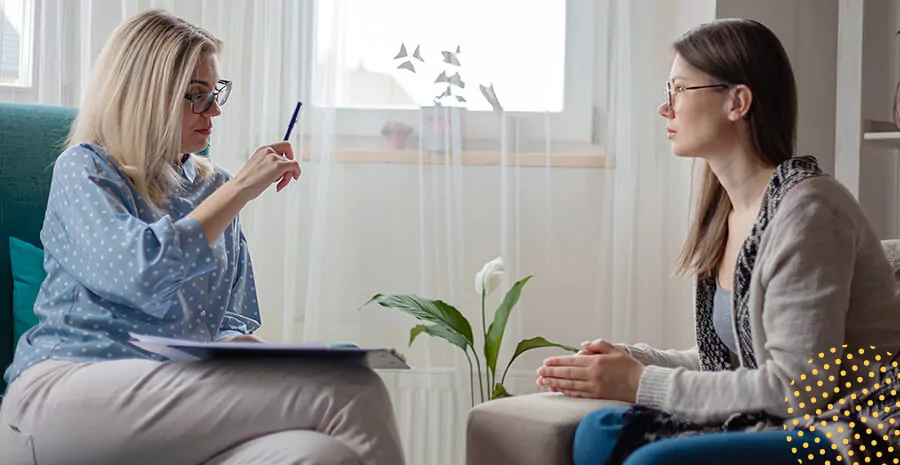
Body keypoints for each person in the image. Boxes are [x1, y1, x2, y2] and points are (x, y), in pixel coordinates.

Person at [0, 10, 404, 465]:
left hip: (175, 405)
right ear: (143, 96)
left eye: (216, 94)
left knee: (321, 454)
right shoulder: (86, 169)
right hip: (65, 392)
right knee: (352, 390)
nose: (213, 112)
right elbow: (141, 274)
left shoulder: (213, 188)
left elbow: (228, 318)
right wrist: (240, 191)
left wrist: (245, 350)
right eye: (196, 96)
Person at [535, 19, 900, 465]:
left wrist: (638, 381)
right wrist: (627, 361)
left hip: (861, 430)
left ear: (737, 102)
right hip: (795, 417)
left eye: (678, 90)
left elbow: (798, 389)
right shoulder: (729, 214)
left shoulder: (809, 213)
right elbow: (730, 368)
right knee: (598, 433)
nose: (664, 108)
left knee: (652, 462)